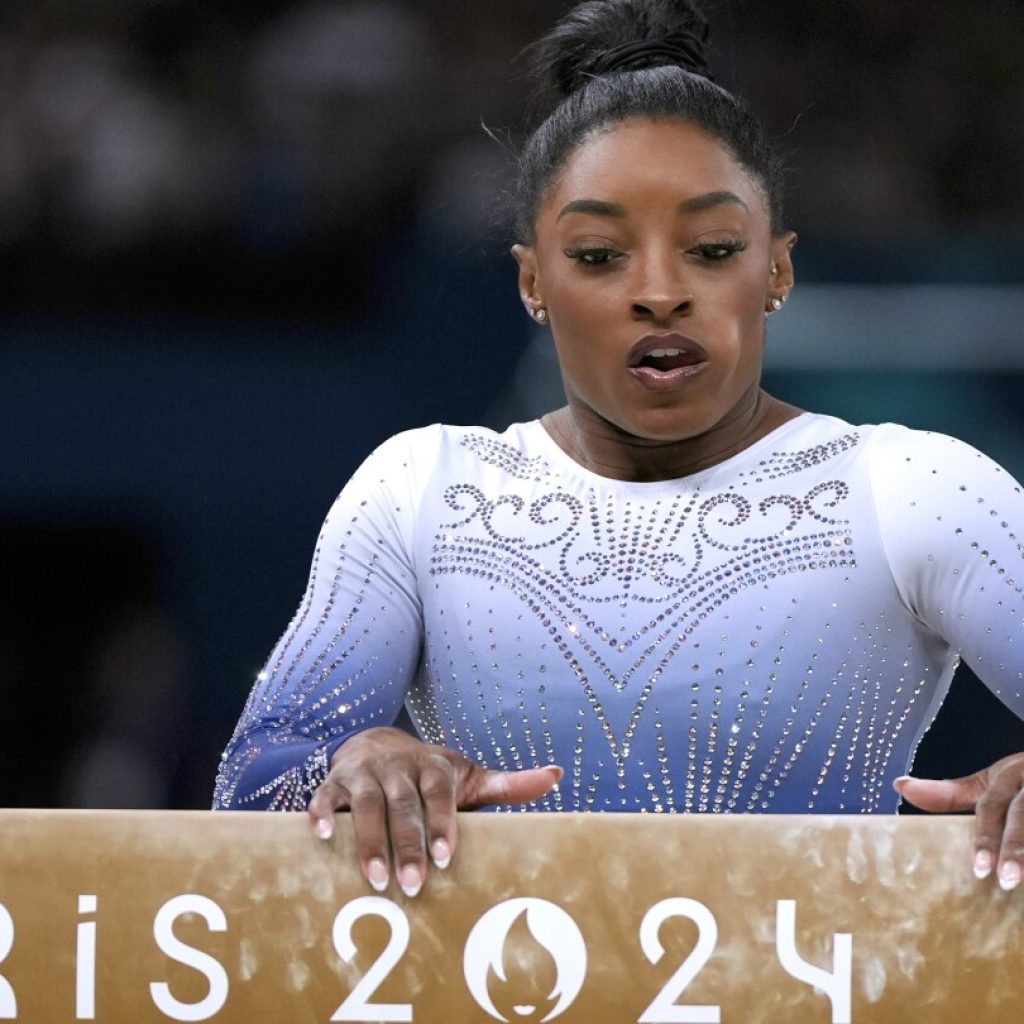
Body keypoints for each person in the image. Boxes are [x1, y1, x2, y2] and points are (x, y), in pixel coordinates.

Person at [214, 0, 1024, 900]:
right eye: (599, 256)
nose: (659, 293)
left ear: (778, 270)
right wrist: (359, 762)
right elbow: (247, 791)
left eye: (713, 248)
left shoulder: (908, 488)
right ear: (532, 282)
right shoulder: (426, 490)